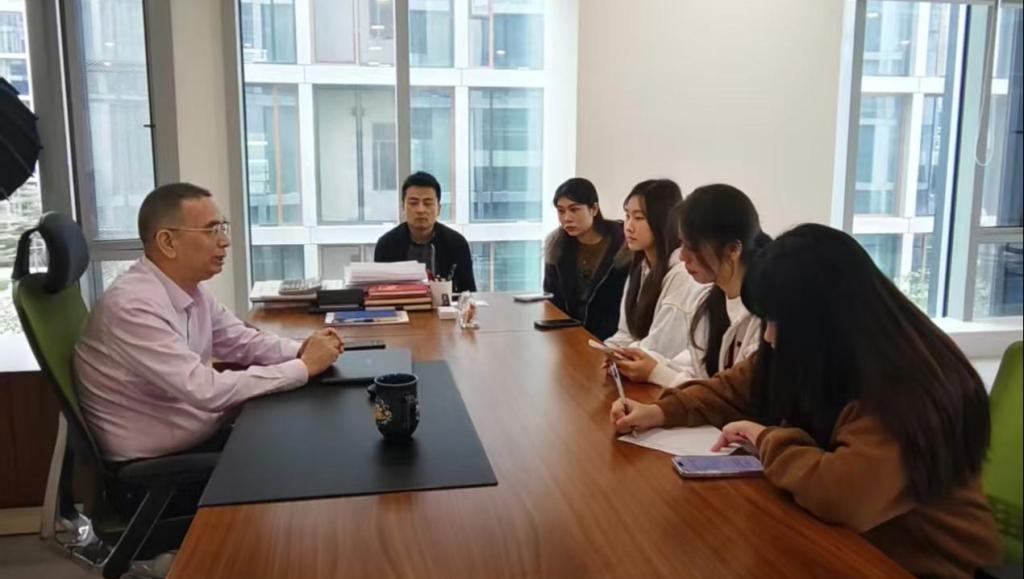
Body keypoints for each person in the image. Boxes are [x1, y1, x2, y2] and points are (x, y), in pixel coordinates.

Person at [611, 224, 1000, 578]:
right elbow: (734, 387)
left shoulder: (905, 386)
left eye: (777, 321)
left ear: (823, 317)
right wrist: (659, 411)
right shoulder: (820, 347)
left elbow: (841, 495)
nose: (768, 337)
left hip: (915, 565)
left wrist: (765, 439)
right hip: (843, 545)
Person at [74, 183, 344, 462]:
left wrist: (300, 349)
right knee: (300, 455)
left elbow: (241, 341)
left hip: (203, 436)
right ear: (167, 242)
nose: (225, 241)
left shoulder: (189, 289)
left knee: (309, 437)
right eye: (211, 230)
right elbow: (205, 390)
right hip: (160, 464)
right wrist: (303, 367)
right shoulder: (132, 307)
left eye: (223, 228)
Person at [614, 184, 769, 385]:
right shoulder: (710, 302)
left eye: (692, 247)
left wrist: (657, 372)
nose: (683, 256)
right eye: (682, 244)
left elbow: (733, 394)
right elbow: (695, 366)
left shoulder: (764, 316)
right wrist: (647, 362)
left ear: (732, 249)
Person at [604, 180, 702, 361]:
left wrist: (618, 355)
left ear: (663, 220)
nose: (628, 226)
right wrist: (605, 350)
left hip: (658, 368)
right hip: (637, 363)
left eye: (638, 218)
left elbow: (661, 347)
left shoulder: (681, 273)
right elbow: (626, 333)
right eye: (627, 216)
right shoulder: (641, 266)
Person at [543, 177, 630, 340]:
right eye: (561, 211)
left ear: (594, 209)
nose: (566, 218)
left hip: (613, 339)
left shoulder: (625, 245)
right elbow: (552, 301)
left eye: (574, 209)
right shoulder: (556, 247)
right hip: (568, 337)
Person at [374, 171, 476, 293]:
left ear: (439, 208)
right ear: (403, 208)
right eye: (413, 203)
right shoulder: (386, 245)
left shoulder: (457, 244)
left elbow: (469, 293)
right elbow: (378, 293)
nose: (420, 210)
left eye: (428, 203)